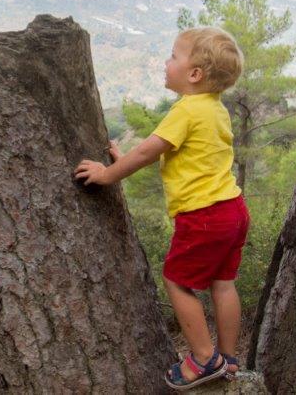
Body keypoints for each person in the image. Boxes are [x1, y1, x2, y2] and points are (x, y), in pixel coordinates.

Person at [73, 27, 250, 390]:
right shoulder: (215, 110)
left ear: (195, 74)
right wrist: (122, 162)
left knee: (177, 281)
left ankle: (203, 358)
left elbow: (148, 150)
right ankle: (229, 360)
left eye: (173, 56)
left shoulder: (186, 109)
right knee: (223, 284)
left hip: (203, 215)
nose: (166, 62)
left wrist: (108, 173)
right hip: (232, 210)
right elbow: (182, 157)